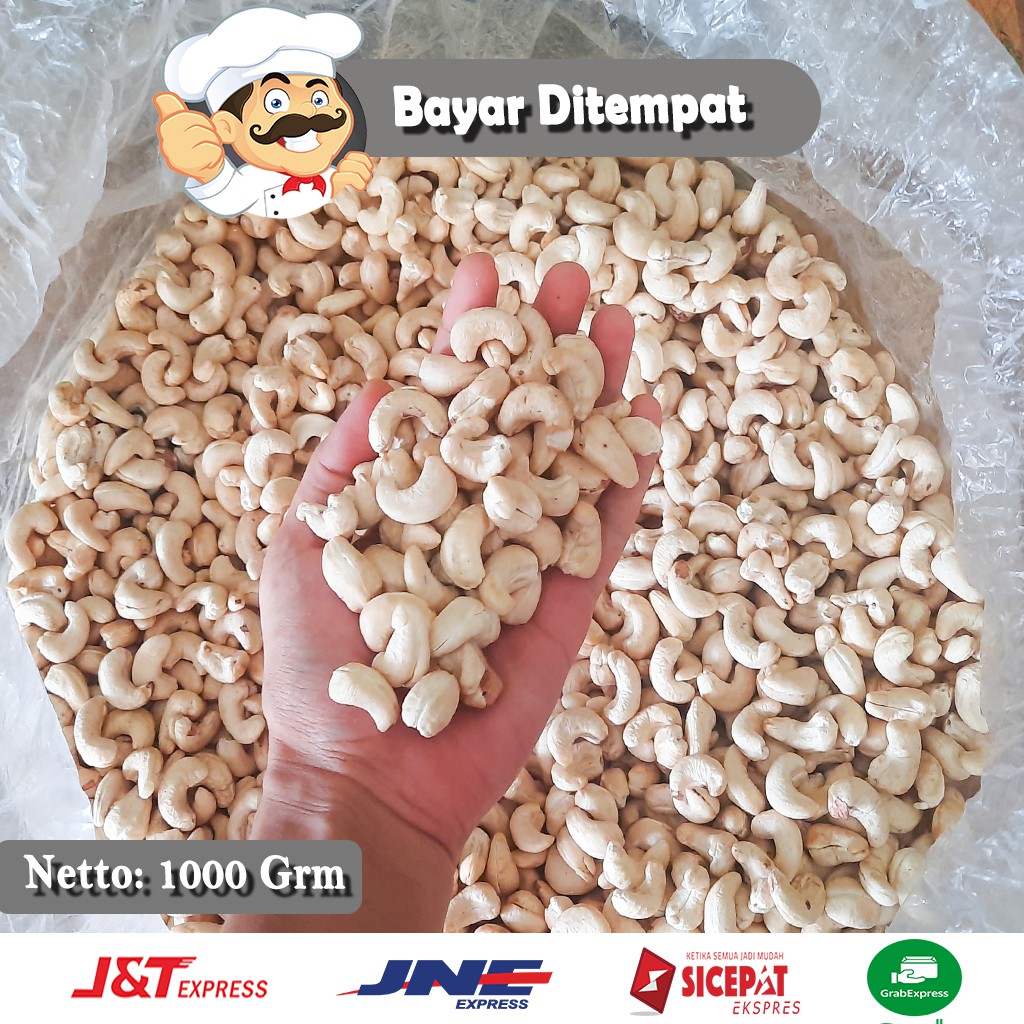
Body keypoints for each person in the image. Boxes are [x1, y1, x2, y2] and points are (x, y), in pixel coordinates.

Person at [224, 253, 660, 932]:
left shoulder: (474, 495)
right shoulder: (430, 551)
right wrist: (330, 781)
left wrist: (325, 785)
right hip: (444, 596)